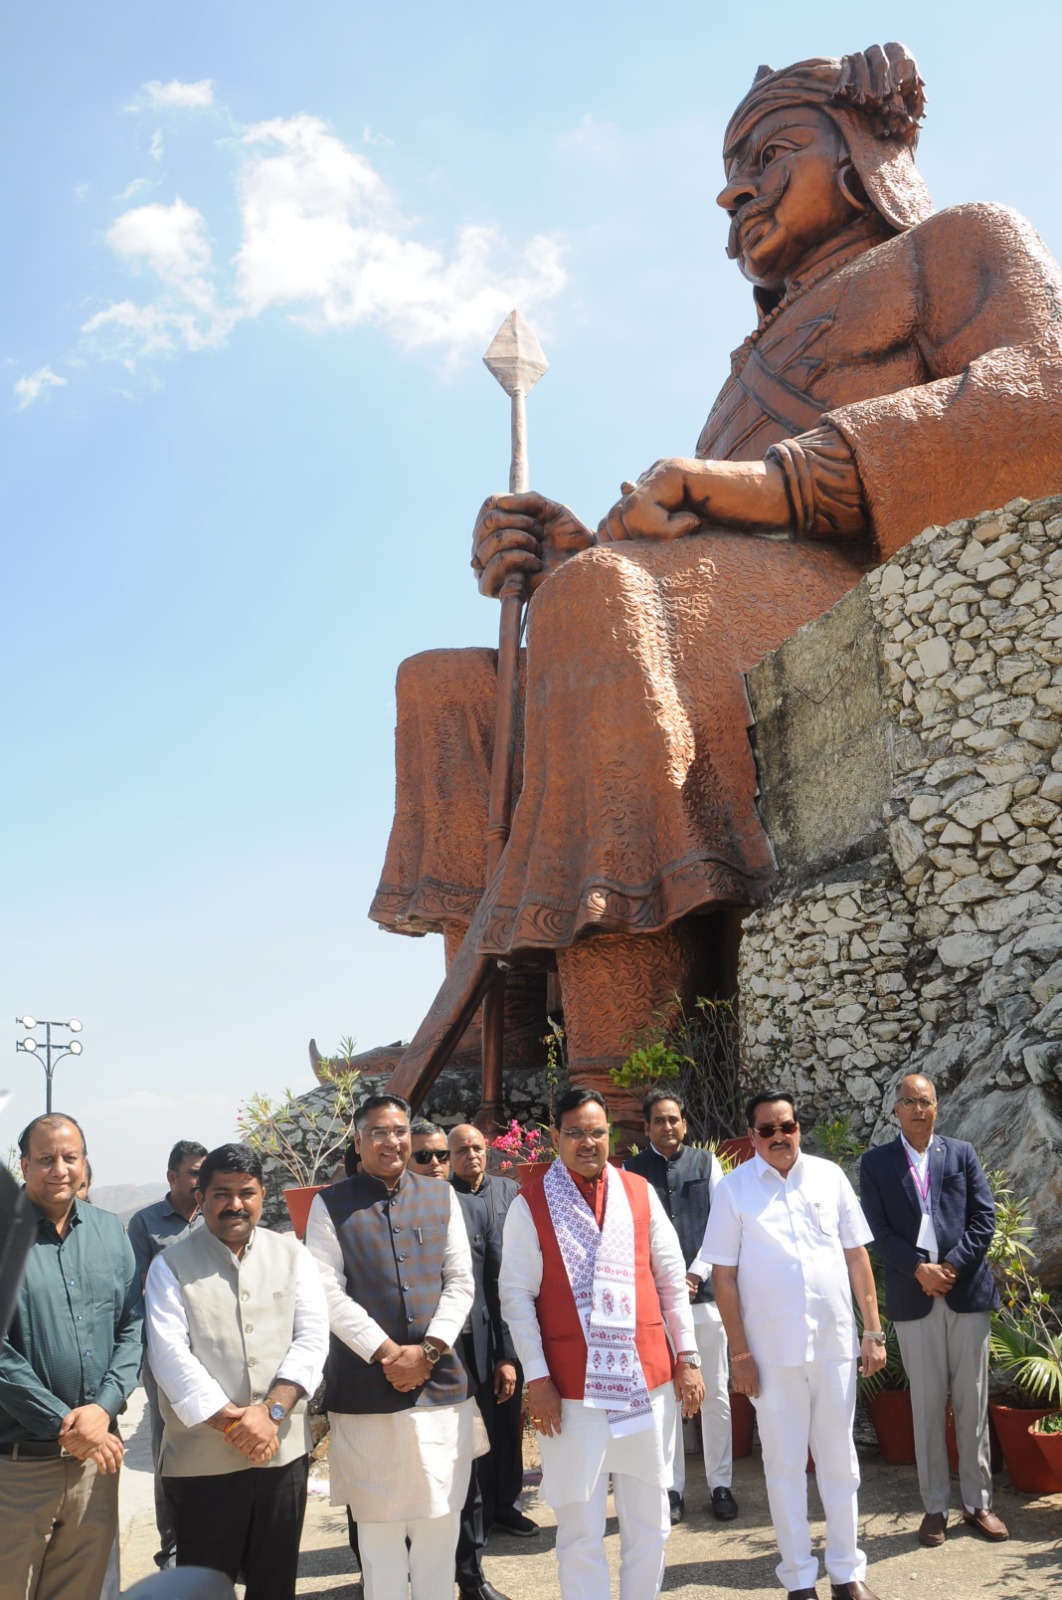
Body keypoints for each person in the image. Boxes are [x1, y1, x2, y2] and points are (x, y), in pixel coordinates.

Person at [371, 42, 1062, 1132]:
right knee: (444, 684)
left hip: (849, 594)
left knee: (599, 602)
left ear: (865, 146)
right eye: (729, 169)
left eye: (769, 152)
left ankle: (624, 1077)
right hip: (695, 617)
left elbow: (1043, 407)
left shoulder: (960, 245)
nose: (734, 189)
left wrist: (780, 476)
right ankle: (496, 1027)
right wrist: (556, 552)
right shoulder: (744, 370)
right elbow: (682, 549)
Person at [498, 1087, 704, 1600]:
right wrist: (538, 1380)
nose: (587, 1142)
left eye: (596, 1131)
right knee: (579, 1525)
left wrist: (689, 1358)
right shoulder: (531, 1206)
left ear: (609, 1135)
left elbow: (670, 1278)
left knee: (650, 1518)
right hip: (571, 1391)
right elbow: (516, 1299)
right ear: (555, 1138)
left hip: (646, 1378)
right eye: (575, 1133)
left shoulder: (638, 1191)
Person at [695, 1092, 885, 1600]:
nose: (780, 1137)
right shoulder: (734, 1190)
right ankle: (799, 1579)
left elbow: (856, 1259)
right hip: (771, 1356)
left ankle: (848, 1573)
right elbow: (725, 1278)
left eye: (788, 1126)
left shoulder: (830, 1177)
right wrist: (739, 1355)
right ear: (752, 1136)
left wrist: (873, 1331)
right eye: (767, 1130)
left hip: (835, 1348)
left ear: (799, 1127)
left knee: (841, 1462)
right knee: (783, 1468)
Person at [304, 1094, 480, 1600]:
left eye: (400, 1130)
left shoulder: (441, 1196)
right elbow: (324, 1288)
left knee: (441, 1526)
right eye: (379, 1132)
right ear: (358, 1143)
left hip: (441, 1389)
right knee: (379, 1539)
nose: (393, 1140)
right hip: (365, 1393)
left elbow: (460, 1282)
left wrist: (426, 1353)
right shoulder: (329, 1204)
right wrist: (386, 1352)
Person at [144, 1143, 328, 1599]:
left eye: (245, 1192)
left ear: (263, 1194)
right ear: (201, 1197)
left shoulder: (293, 1256)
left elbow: (312, 1339)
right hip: (202, 1463)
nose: (234, 1204)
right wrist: (236, 1423)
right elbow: (170, 1357)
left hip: (280, 1456)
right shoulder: (169, 1266)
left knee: (275, 1582)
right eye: (221, 1193)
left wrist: (272, 1415)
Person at [859, 1074, 1006, 1546]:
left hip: (965, 1294)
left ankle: (978, 1503)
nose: (917, 1109)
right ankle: (935, 1507)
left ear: (936, 1108)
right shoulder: (877, 1163)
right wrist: (919, 1270)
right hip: (914, 1297)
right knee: (925, 1407)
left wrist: (952, 1268)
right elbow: (877, 1230)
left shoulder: (960, 1153)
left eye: (925, 1101)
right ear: (895, 1110)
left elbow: (984, 1217)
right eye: (908, 1101)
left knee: (972, 1403)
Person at [0, 1114, 141, 1600]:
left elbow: (132, 1325)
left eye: (69, 1157)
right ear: (23, 1165)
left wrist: (103, 1408)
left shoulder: (108, 1231)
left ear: (85, 1165)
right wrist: (65, 1420)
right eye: (45, 1159)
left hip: (93, 1469)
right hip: (16, 1471)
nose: (58, 1169)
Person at [410, 1121, 514, 1600]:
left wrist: (504, 1355)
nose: (435, 1165)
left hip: (467, 1352)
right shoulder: (378, 1213)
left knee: (468, 1466)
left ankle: (470, 1576)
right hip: (406, 1363)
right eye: (424, 1157)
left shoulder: (470, 1209)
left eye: (440, 1157)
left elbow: (494, 1286)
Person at [624, 1089, 735, 1526]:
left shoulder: (708, 1166)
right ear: (647, 1127)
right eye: (658, 1121)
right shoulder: (631, 1172)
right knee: (666, 1398)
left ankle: (720, 1484)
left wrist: (695, 1274)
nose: (667, 1127)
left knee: (716, 1394)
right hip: (655, 1306)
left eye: (674, 1119)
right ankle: (671, 1488)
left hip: (705, 1300)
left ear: (684, 1124)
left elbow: (723, 1227)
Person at [448, 1123, 533, 1538]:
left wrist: (510, 1352)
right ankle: (477, 1512)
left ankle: (507, 1506)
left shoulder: (508, 1192)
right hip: (466, 1334)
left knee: (507, 1421)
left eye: (477, 1148)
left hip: (508, 1325)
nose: (471, 1156)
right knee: (474, 1428)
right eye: (461, 1150)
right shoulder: (443, 1199)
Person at [128, 1138, 207, 1570]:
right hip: (163, 1359)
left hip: (216, 1354)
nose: (200, 1181)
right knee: (170, 1451)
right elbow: (137, 1292)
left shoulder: (215, 1214)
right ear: (172, 1177)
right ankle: (173, 1548)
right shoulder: (145, 1224)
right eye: (193, 1173)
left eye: (203, 1172)